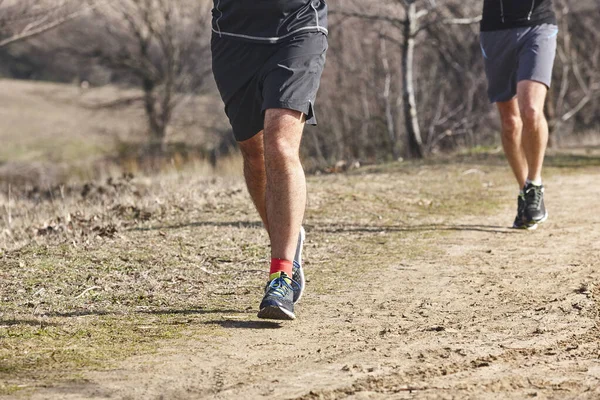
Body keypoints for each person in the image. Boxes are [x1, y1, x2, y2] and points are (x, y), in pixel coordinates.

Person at [210, 0, 328, 319]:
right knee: (254, 153)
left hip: (298, 29)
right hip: (234, 38)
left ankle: (281, 275)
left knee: (279, 144)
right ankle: (287, 232)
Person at [480, 0, 558, 229]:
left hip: (537, 25)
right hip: (495, 30)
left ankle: (534, 184)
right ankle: (525, 193)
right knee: (510, 123)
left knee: (531, 110)